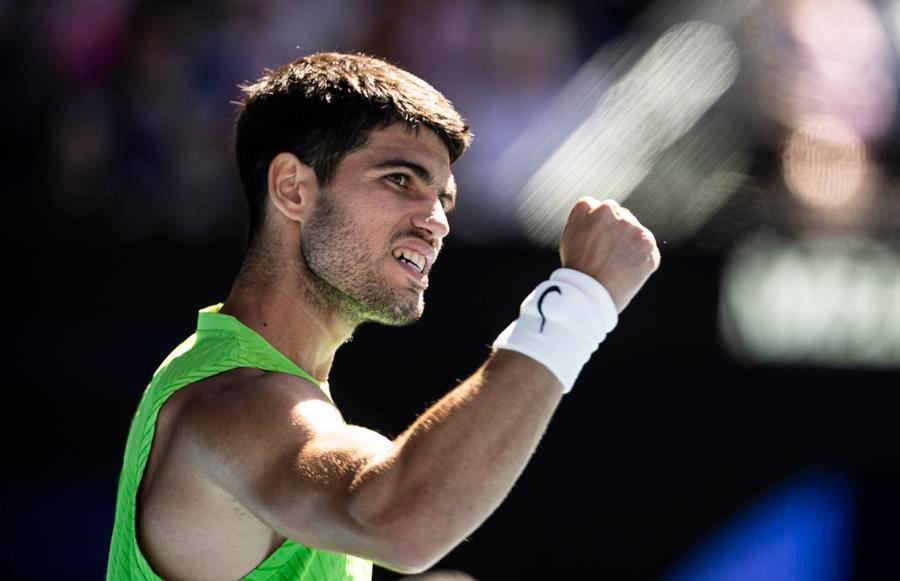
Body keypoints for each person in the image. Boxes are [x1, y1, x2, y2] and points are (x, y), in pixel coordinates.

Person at [107, 52, 660, 580]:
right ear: (292, 188)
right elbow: (402, 524)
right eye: (400, 179)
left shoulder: (249, 385)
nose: (436, 221)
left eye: (442, 199)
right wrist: (579, 298)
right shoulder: (232, 402)